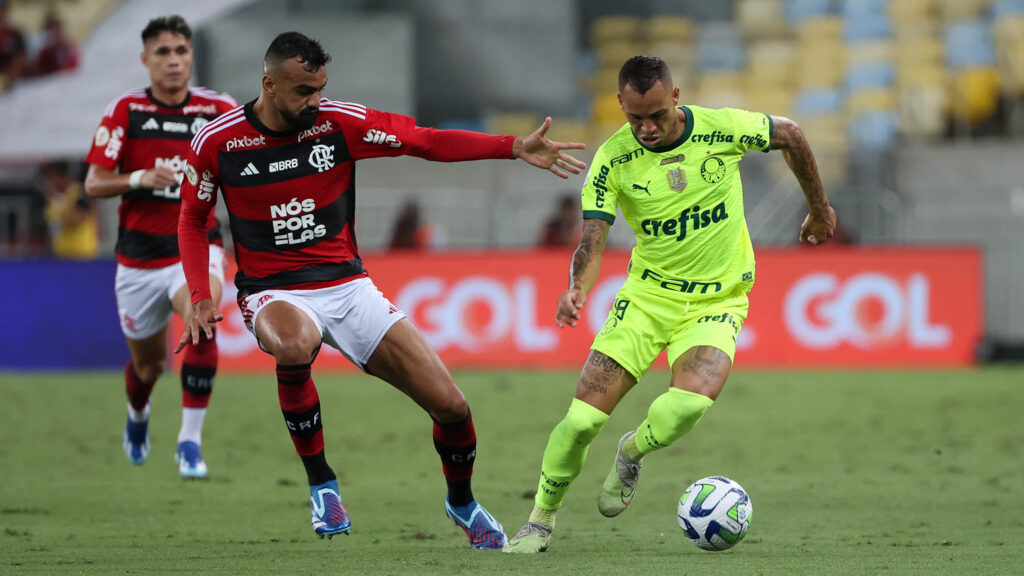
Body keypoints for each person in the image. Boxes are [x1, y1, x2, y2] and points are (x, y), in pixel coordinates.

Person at [176, 31, 586, 546]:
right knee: (295, 343)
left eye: (321, 88)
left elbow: (428, 141)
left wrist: (511, 147)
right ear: (269, 83)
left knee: (453, 408)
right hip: (273, 289)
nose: (315, 101)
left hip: (348, 286)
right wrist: (199, 296)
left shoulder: (341, 124)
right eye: (304, 90)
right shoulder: (219, 141)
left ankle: (462, 503)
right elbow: (192, 219)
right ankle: (323, 485)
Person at [505, 55, 837, 553]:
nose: (647, 127)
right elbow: (592, 242)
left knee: (685, 408)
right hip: (646, 300)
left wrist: (819, 208)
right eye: (635, 117)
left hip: (717, 301)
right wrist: (577, 288)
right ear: (619, 104)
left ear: (676, 98)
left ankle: (631, 451)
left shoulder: (720, 128)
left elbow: (789, 132)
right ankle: (540, 521)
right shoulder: (613, 161)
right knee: (581, 422)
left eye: (657, 114)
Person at [83, 15, 237, 479]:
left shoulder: (218, 109)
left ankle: (189, 442)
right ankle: (137, 414)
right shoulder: (125, 111)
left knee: (203, 317)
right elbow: (93, 182)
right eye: (163, 53)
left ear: (191, 55)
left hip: (195, 246)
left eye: (181, 51)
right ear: (145, 59)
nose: (173, 61)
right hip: (138, 261)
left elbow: (243, 165)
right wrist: (137, 178)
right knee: (148, 368)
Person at [39, 161, 97, 259]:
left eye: (51, 177)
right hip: (61, 254)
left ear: (62, 176)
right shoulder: (52, 197)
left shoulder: (79, 192)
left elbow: (77, 218)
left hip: (81, 254)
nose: (49, 182)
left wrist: (57, 199)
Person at [34, 10, 79, 76]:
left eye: (59, 29)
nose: (57, 34)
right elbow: (40, 67)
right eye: (55, 30)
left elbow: (74, 65)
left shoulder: (68, 46)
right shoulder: (45, 48)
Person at [0, 0, 26, 92]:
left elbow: (21, 58)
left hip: (17, 85)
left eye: (4, 11)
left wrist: (10, 76)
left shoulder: (16, 34)